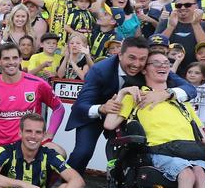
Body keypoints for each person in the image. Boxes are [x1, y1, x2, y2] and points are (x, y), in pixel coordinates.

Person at [104, 51, 205, 188]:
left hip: (190, 150)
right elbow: (109, 124)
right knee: (187, 173)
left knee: (199, 172)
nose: (163, 66)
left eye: (166, 62)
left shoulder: (180, 100)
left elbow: (204, 138)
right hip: (158, 151)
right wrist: (124, 93)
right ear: (145, 69)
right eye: (157, 63)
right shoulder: (136, 96)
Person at [66, 36, 197, 174]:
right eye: (132, 58)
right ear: (120, 55)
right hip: (96, 115)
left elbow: (190, 89)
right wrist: (101, 108)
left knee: (130, 156)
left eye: (142, 59)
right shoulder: (100, 69)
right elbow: (81, 105)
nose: (137, 64)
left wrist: (166, 93)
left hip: (125, 116)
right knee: (83, 152)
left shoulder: (150, 66)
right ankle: (67, 184)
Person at [0, 43, 65, 150]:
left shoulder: (37, 84)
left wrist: (49, 135)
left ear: (20, 59)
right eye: (6, 58)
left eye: (15, 58)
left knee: (59, 152)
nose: (11, 62)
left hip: (30, 148)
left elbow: (59, 108)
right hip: (0, 150)